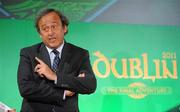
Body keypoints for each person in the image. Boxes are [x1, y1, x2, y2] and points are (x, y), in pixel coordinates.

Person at [17, 8, 97, 112]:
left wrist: (55, 77)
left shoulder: (80, 54)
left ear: (64, 28)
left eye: (54, 26)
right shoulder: (29, 53)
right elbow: (26, 89)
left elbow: (89, 85)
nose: (50, 32)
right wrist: (63, 93)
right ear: (40, 34)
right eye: (45, 29)